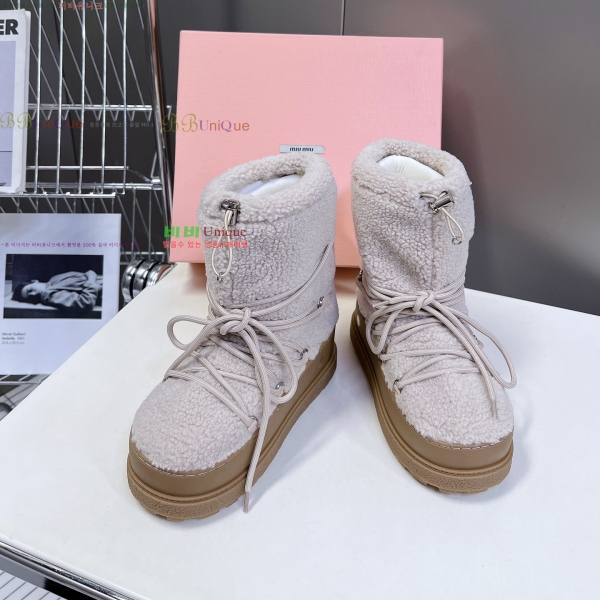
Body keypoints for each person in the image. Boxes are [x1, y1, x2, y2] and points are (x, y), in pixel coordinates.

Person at [11, 270, 102, 311]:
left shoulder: (54, 278)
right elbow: (85, 302)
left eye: (30, 290)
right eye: (31, 297)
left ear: (34, 281)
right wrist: (91, 278)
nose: (34, 294)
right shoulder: (48, 295)